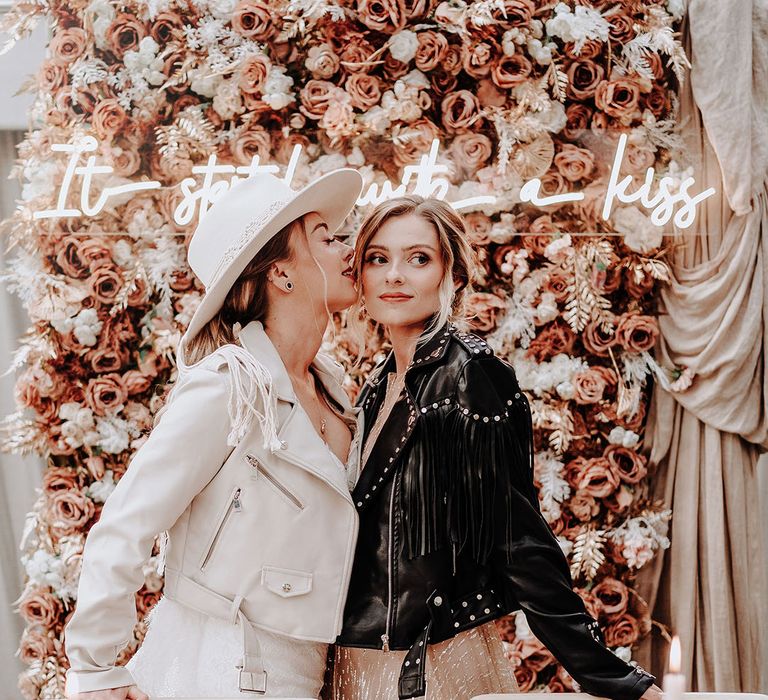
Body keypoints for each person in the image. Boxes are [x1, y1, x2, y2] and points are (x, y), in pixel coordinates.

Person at [332, 195, 663, 700]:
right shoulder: (381, 381)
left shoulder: (468, 374)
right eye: (379, 258)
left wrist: (607, 675)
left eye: (418, 258)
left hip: (432, 661)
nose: (394, 275)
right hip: (363, 654)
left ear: (453, 275)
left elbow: (516, 537)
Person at [64, 169, 365, 699]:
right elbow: (126, 523)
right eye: (325, 237)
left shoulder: (333, 393)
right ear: (282, 275)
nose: (349, 249)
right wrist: (94, 670)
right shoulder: (229, 386)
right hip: (226, 666)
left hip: (315, 672)